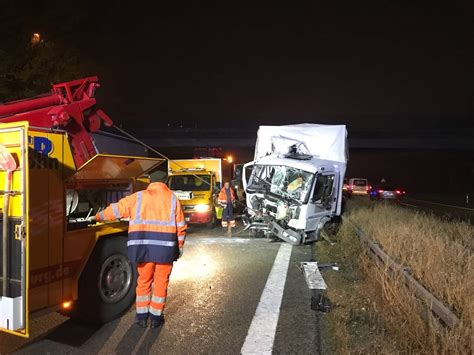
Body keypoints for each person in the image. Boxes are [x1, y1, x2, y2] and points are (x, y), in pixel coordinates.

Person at [95, 171, 187, 329]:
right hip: (165, 250)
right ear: (166, 181)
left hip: (143, 249)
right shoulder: (172, 199)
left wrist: (99, 216)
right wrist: (179, 247)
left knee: (143, 281)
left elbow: (117, 209)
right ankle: (156, 318)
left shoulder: (138, 197)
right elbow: (181, 226)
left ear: (150, 181)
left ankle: (141, 317)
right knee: (161, 282)